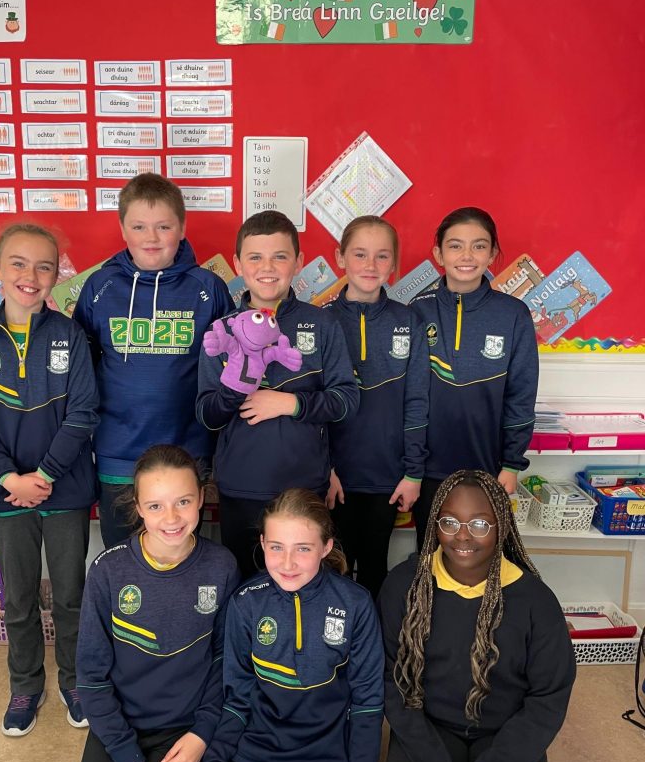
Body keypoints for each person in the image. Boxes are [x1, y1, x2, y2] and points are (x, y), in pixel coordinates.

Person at [378, 470, 575, 762]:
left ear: (501, 526)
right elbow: (391, 684)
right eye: (449, 522)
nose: (463, 536)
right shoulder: (404, 585)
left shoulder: (535, 601)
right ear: (435, 523)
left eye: (480, 523)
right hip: (429, 730)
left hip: (504, 735)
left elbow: (547, 702)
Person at [186, 488, 384, 762]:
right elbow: (235, 699)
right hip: (252, 753)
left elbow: (368, 705)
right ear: (262, 544)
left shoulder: (355, 605)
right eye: (276, 547)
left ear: (326, 547)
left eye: (303, 548)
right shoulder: (245, 602)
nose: (288, 563)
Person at [62, 444, 240, 762]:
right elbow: (91, 678)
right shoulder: (108, 571)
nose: (172, 518)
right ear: (137, 508)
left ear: (201, 499)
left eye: (183, 501)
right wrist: (125, 759)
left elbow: (225, 664)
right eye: (156, 505)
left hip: (182, 735)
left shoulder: (221, 566)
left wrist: (201, 736)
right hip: (119, 728)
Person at [0, 223, 99, 736]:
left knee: (70, 596)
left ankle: (75, 681)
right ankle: (25, 685)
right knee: (17, 599)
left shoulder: (70, 335)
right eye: (18, 263)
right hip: (7, 495)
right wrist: (9, 478)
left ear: (56, 275)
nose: (31, 275)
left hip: (66, 490)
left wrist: (43, 475)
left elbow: (83, 412)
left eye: (44, 266)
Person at [74, 173, 234, 548]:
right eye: (139, 227)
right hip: (118, 453)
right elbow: (82, 367)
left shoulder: (208, 287)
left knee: (180, 555)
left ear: (182, 228)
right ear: (123, 229)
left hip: (188, 451)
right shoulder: (100, 287)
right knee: (121, 557)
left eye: (163, 226)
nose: (151, 237)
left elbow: (227, 369)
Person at [197, 211, 358, 577]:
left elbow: (347, 401)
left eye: (279, 257)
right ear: (238, 264)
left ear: (298, 262)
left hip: (305, 488)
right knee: (243, 586)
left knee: (302, 584)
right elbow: (206, 415)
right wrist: (232, 392)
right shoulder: (221, 332)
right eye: (255, 257)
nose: (267, 268)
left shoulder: (323, 324)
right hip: (241, 487)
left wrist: (290, 403)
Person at [410, 208, 539, 546]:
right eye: (455, 246)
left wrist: (511, 465)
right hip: (427, 471)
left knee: (481, 557)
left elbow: (521, 395)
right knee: (430, 557)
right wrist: (410, 466)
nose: (467, 256)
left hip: (488, 469)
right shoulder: (417, 311)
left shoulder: (513, 315)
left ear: (492, 253)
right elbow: (408, 396)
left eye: (479, 246)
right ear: (439, 254)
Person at [325, 215, 428, 597]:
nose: (370, 265)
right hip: (335, 479)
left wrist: (413, 473)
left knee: (374, 573)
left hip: (388, 477)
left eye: (382, 256)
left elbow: (417, 401)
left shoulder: (409, 321)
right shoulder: (321, 322)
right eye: (360, 254)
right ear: (340, 257)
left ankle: (374, 638)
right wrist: (324, 468)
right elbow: (314, 407)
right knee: (333, 573)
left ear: (394, 263)